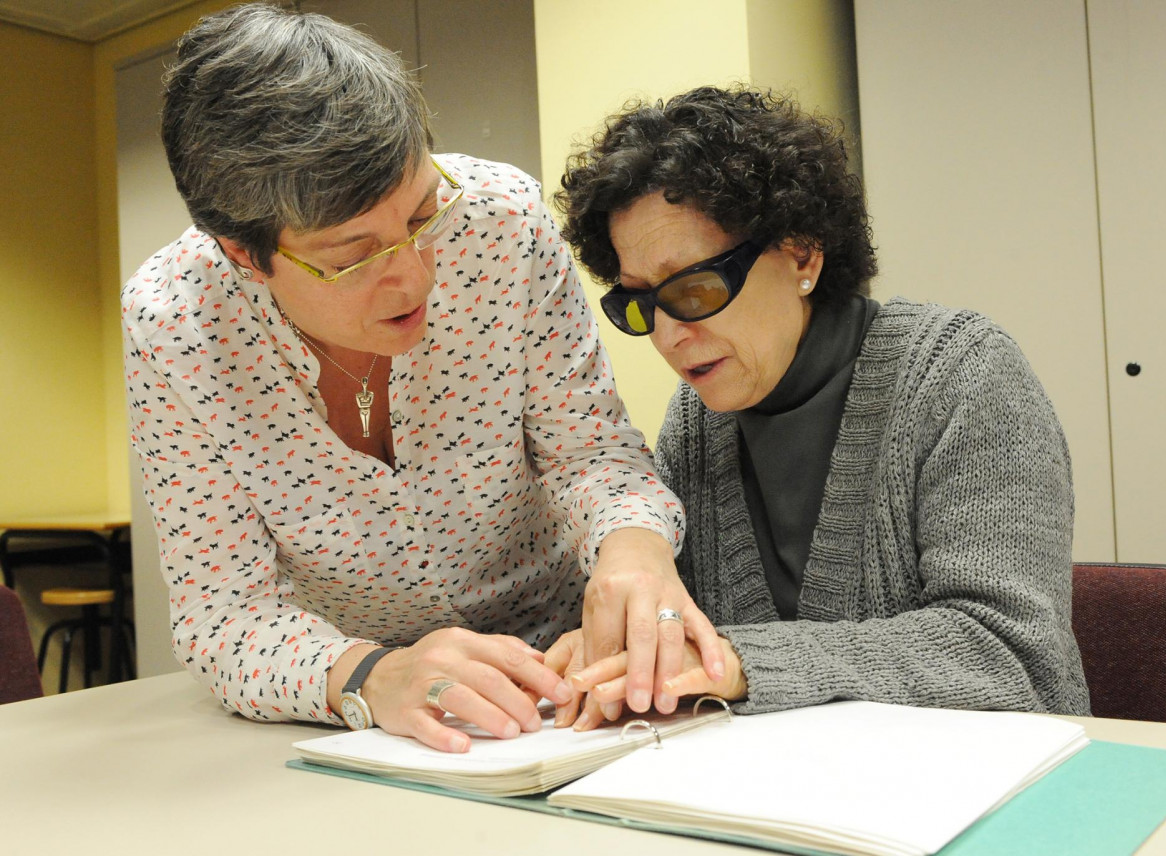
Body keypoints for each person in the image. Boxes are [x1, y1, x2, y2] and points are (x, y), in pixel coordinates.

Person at [122, 4, 722, 753]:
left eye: (422, 216)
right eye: (352, 257)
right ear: (245, 255)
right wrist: (370, 675)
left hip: (568, 671)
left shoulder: (503, 225)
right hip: (372, 712)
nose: (414, 277)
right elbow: (225, 614)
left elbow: (592, 453)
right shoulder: (177, 324)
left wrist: (634, 552)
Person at [549, 85, 1090, 723]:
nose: (667, 337)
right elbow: (686, 630)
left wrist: (740, 662)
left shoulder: (962, 374)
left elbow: (1013, 659)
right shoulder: (697, 422)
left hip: (996, 777)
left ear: (801, 252)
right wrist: (634, 645)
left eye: (694, 289)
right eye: (639, 305)